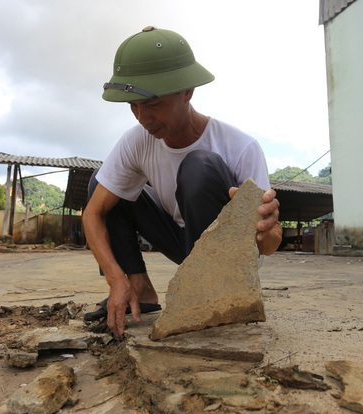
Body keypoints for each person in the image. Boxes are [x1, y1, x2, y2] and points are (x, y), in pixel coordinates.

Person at [83, 26, 282, 339]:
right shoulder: (136, 142)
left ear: (187, 91)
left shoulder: (239, 147)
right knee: (102, 182)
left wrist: (268, 227)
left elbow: (268, 247)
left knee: (199, 166)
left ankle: (210, 296)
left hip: (221, 254)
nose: (142, 118)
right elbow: (92, 215)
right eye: (133, 105)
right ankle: (140, 290)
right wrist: (115, 278)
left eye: (152, 104)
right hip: (178, 240)